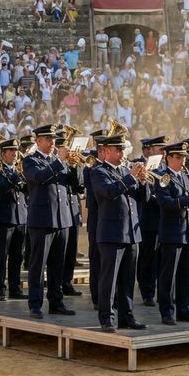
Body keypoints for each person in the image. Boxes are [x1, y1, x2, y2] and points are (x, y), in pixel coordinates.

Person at [90, 133, 148, 332]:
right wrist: (131, 177)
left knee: (128, 279)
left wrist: (143, 181)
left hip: (131, 232)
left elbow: (143, 198)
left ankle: (127, 316)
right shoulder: (98, 172)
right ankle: (106, 318)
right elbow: (109, 193)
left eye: (123, 149)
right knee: (109, 279)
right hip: (111, 233)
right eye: (118, 149)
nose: (122, 153)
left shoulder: (125, 171)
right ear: (105, 151)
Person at [22, 124, 75, 319]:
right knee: (38, 265)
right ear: (38, 141)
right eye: (48, 139)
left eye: (54, 139)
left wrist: (74, 165)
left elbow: (74, 185)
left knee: (57, 265)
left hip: (62, 219)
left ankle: (56, 302)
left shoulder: (57, 161)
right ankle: (35, 304)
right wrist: (60, 161)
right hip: (42, 220)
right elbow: (39, 178)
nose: (53, 142)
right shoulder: (30, 161)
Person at [155, 141, 189, 325]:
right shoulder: (163, 177)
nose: (183, 160)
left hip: (188, 233)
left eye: (184, 157)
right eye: (178, 157)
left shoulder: (185, 175)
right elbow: (165, 204)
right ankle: (167, 311)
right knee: (168, 276)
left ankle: (184, 309)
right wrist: (187, 199)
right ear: (169, 158)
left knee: (185, 274)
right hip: (172, 232)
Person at [0, 138, 27, 301]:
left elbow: (27, 190)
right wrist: (15, 177)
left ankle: (15, 287)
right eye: (11, 151)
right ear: (3, 154)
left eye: (16, 151)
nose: (15, 154)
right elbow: (2, 187)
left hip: (20, 217)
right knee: (2, 255)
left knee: (17, 256)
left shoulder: (19, 171)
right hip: (5, 218)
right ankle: (0, 288)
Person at [136, 136, 168, 306]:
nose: (163, 152)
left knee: (159, 258)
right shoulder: (140, 165)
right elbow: (144, 196)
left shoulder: (163, 167)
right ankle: (147, 292)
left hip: (162, 219)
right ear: (148, 150)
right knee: (147, 258)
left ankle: (155, 289)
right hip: (147, 218)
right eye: (159, 149)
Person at [55, 129, 84, 298]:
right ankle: (58, 283)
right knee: (60, 251)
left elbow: (77, 183)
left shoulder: (70, 162)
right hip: (61, 209)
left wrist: (75, 165)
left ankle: (67, 281)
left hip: (73, 208)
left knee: (71, 249)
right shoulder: (56, 162)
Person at [82, 129, 107, 308]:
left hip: (109, 219)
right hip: (97, 218)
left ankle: (108, 297)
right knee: (96, 260)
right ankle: (97, 297)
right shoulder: (91, 167)